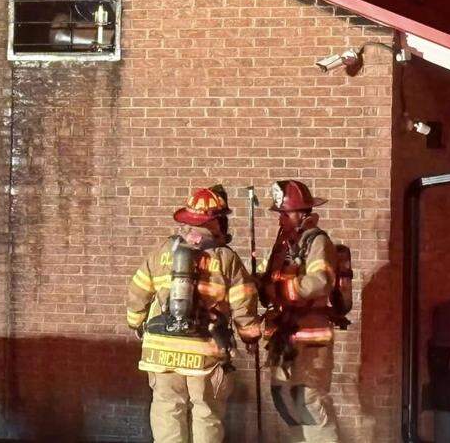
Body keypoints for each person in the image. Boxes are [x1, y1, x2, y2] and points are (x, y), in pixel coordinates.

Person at [126, 186, 261, 443]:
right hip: (204, 353)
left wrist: (135, 322)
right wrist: (250, 337)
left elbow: (137, 291)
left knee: (167, 409)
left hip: (160, 350)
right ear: (216, 222)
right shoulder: (226, 259)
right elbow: (244, 306)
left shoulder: (163, 251)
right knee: (205, 412)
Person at [262, 179, 341, 442]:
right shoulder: (284, 244)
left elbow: (321, 281)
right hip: (285, 337)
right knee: (285, 399)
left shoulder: (317, 241)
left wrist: (283, 291)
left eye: (285, 213)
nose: (281, 218)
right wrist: (260, 285)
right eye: (280, 213)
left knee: (309, 402)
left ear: (302, 212)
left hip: (310, 338)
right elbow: (272, 281)